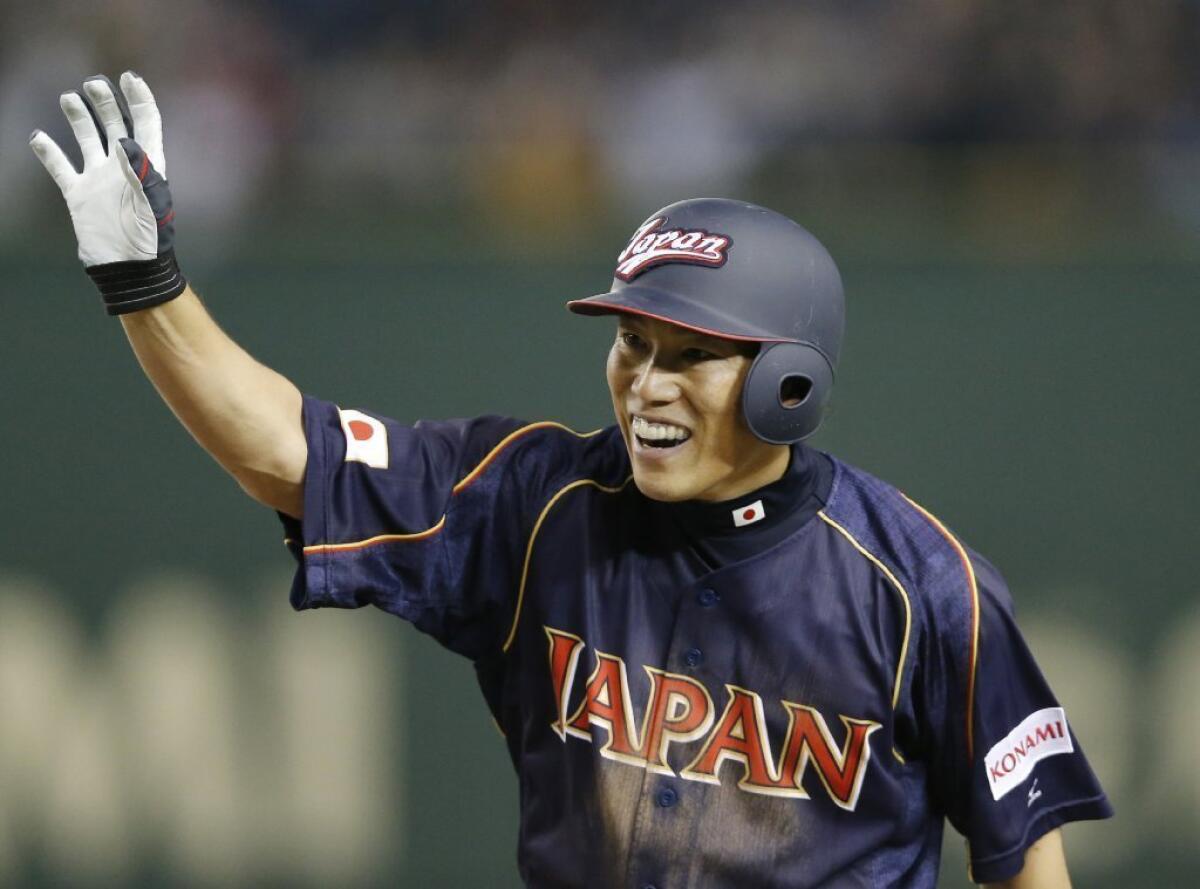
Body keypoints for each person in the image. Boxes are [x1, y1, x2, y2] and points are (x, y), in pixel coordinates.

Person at [32, 73, 1112, 889]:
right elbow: (291, 451)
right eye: (632, 343)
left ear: (790, 383)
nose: (644, 382)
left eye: (690, 354)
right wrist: (148, 287)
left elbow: (1026, 858)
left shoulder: (922, 586)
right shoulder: (533, 499)